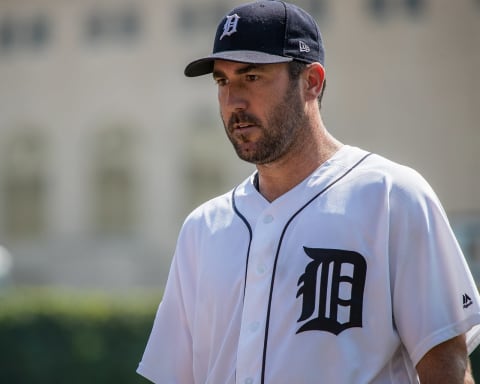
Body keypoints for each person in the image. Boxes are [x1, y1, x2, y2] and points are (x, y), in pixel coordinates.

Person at [137, 1, 480, 382]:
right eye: (222, 81)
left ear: (311, 82)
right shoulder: (202, 228)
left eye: (251, 78)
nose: (233, 100)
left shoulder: (391, 197)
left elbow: (447, 369)